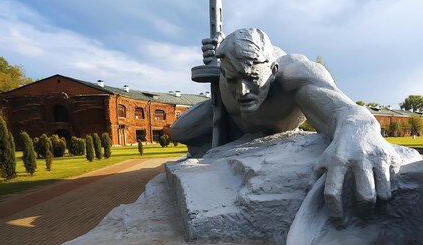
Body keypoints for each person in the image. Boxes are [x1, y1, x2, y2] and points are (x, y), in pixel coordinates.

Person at [171, 28, 401, 222]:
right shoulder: (226, 69)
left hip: (279, 132)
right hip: (235, 130)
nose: (241, 92)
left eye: (252, 79)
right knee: (180, 130)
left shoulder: (295, 71)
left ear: (272, 71)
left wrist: (361, 132)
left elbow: (344, 109)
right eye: (232, 80)